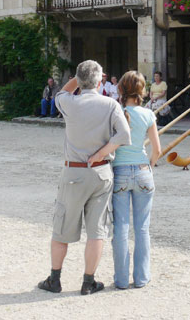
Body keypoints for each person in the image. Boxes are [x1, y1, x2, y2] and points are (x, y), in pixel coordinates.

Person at [37, 60, 131, 296]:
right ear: (100, 81)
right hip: (100, 171)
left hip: (74, 171)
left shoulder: (69, 101)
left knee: (62, 228)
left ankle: (55, 279)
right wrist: (102, 152)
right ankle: (88, 281)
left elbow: (62, 91)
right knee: (97, 230)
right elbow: (124, 134)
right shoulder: (110, 104)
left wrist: (78, 80)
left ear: (78, 81)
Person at [111, 71, 161, 290]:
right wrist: (149, 166)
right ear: (142, 90)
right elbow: (157, 150)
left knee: (120, 227)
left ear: (121, 89)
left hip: (120, 170)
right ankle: (141, 277)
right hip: (142, 169)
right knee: (142, 228)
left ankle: (121, 279)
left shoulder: (116, 112)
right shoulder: (148, 113)